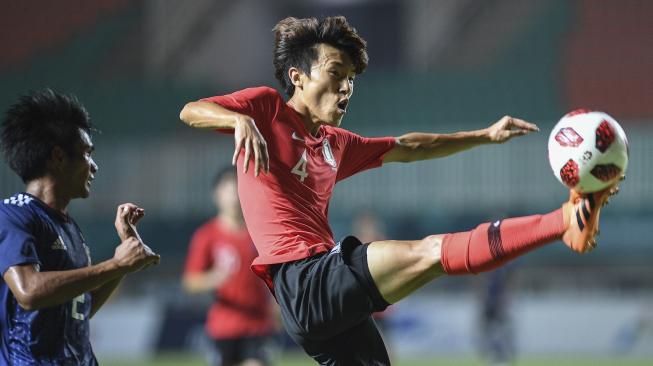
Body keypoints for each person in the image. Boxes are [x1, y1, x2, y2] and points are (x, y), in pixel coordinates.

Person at [179, 16, 620, 365]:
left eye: (352, 77)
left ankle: (565, 222)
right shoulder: (266, 108)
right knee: (430, 252)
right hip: (303, 279)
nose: (347, 86)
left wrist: (484, 135)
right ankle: (566, 220)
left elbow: (410, 147)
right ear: (298, 76)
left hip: (320, 296)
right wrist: (236, 119)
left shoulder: (335, 144)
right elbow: (191, 111)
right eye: (337, 72)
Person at [0, 89, 160, 365]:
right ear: (59, 157)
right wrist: (115, 266)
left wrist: (123, 261)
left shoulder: (69, 227)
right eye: (87, 153)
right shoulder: (12, 215)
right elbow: (28, 292)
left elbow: (80, 309)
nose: (94, 166)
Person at [183, 167, 275, 366]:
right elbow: (190, 282)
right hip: (222, 327)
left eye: (239, 189)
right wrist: (213, 278)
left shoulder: (260, 233)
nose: (235, 196)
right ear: (217, 195)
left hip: (257, 325)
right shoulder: (206, 236)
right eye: (229, 190)